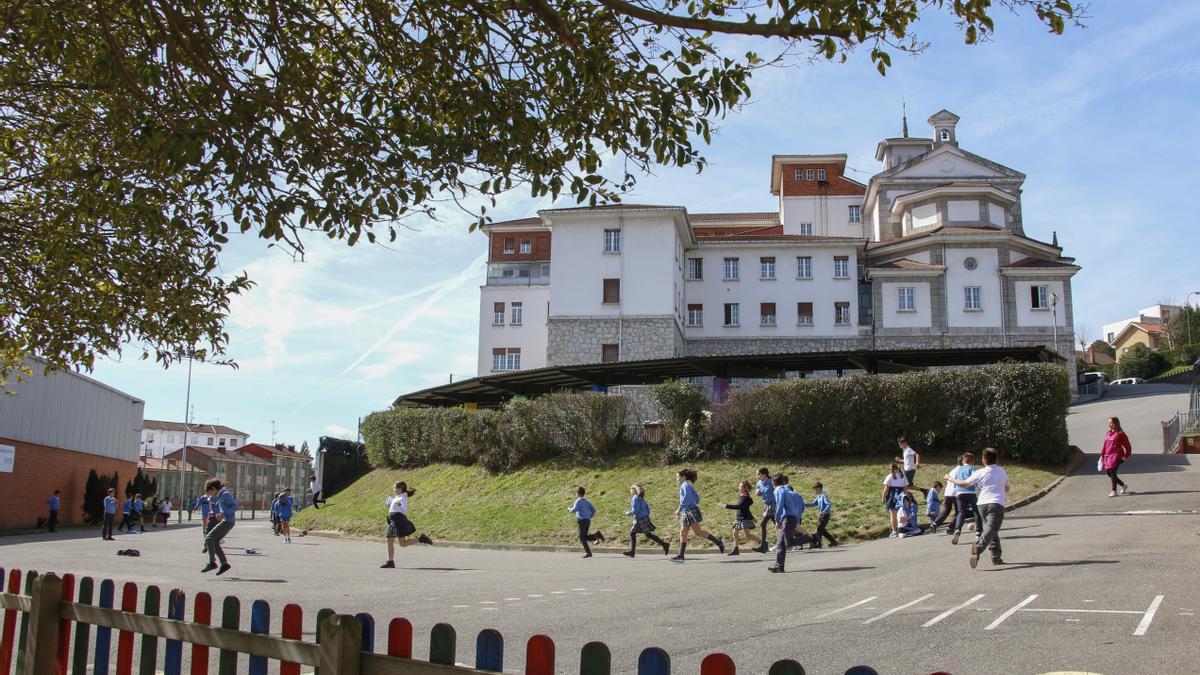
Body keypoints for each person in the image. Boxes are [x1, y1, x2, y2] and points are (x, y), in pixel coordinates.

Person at [945, 447, 1010, 568]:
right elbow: (1007, 488)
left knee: (992, 530)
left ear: (983, 460)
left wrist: (950, 478)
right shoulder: (1001, 471)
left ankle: (996, 557)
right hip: (996, 503)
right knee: (992, 528)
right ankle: (978, 548)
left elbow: (964, 484)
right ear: (996, 459)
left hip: (981, 504)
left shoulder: (979, 472)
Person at [672, 468, 725, 561]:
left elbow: (687, 499)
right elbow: (697, 497)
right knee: (683, 532)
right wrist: (692, 503)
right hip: (687, 510)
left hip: (690, 510)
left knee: (698, 532)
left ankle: (719, 542)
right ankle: (681, 555)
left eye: (677, 477)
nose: (677, 479)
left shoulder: (685, 485)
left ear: (683, 477)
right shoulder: (687, 485)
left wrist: (679, 510)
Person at [381, 481, 433, 568]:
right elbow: (395, 508)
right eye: (394, 488)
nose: (394, 489)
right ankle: (421, 539)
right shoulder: (398, 497)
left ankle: (390, 562)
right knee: (402, 543)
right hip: (395, 520)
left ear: (401, 488)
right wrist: (390, 504)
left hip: (397, 521)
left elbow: (404, 510)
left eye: (395, 488)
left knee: (390, 541)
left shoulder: (402, 498)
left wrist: (399, 504)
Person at [768, 474, 805, 573]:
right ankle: (779, 566)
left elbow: (779, 506)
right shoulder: (787, 490)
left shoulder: (778, 490)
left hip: (787, 518)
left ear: (773, 482)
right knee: (782, 543)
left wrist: (777, 520)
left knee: (785, 542)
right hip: (791, 517)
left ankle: (812, 538)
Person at [202, 479, 239, 575]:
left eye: (210, 492)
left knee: (209, 537)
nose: (210, 495)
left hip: (228, 521)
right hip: (226, 521)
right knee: (214, 541)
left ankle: (212, 563)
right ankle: (224, 564)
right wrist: (220, 514)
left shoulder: (225, 494)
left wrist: (223, 514)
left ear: (214, 488)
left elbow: (235, 506)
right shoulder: (221, 495)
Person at [622, 484, 669, 558]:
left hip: (640, 519)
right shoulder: (641, 498)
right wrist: (645, 514)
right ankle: (664, 544)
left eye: (631, 489)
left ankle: (632, 552)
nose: (630, 491)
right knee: (646, 534)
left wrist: (629, 513)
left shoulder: (635, 498)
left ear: (634, 490)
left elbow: (636, 510)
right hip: (644, 517)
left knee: (633, 533)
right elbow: (648, 509)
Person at [950, 453, 980, 545]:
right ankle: (978, 532)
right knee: (976, 511)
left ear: (963, 460)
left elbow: (955, 482)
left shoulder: (958, 470)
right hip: (970, 492)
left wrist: (956, 492)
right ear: (972, 461)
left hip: (959, 493)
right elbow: (976, 479)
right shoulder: (972, 469)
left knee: (961, 512)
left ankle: (957, 529)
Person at [724, 481, 761, 556]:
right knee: (735, 532)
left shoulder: (745, 498)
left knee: (748, 535)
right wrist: (752, 518)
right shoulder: (742, 497)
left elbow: (739, 507)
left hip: (744, 518)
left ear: (745, 488)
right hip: (740, 518)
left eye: (740, 486)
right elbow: (746, 509)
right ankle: (736, 549)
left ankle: (763, 543)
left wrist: (726, 506)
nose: (739, 487)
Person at [568, 486, 604, 558]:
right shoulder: (587, 501)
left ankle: (588, 553)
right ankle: (596, 535)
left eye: (575, 493)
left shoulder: (578, 501)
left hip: (581, 521)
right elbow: (594, 510)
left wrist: (569, 509)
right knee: (584, 537)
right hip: (587, 520)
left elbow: (574, 509)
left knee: (582, 538)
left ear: (577, 493)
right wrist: (590, 516)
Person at [1101, 416, 1133, 497]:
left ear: (1116, 423)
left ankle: (1114, 491)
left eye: (1111, 422)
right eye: (1108, 423)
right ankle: (1123, 486)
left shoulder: (1120, 434)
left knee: (1112, 472)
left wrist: (1126, 456)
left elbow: (1128, 446)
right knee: (1109, 473)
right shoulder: (1108, 433)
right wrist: (1102, 455)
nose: (1109, 424)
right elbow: (1105, 445)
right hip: (1108, 456)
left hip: (1117, 457)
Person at [806, 482, 837, 549]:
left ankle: (818, 544)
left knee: (819, 529)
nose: (814, 491)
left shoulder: (824, 496)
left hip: (825, 515)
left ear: (819, 489)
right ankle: (833, 542)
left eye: (815, 490)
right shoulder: (819, 496)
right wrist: (804, 504)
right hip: (821, 516)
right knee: (823, 530)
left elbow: (828, 504)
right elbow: (813, 504)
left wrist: (824, 511)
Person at [882, 464, 908, 537]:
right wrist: (907, 498)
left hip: (892, 496)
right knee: (902, 512)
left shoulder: (889, 476)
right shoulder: (903, 476)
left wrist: (883, 497)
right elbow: (906, 489)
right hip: (901, 496)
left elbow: (886, 489)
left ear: (891, 470)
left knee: (893, 514)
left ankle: (894, 531)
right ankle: (901, 528)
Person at [754, 468, 776, 553]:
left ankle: (763, 545)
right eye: (757, 474)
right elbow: (757, 492)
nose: (757, 476)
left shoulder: (771, 481)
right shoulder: (759, 483)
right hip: (766, 505)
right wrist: (758, 492)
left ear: (764, 474)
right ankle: (788, 539)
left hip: (773, 504)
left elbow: (777, 491)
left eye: (759, 474)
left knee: (763, 524)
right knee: (777, 524)